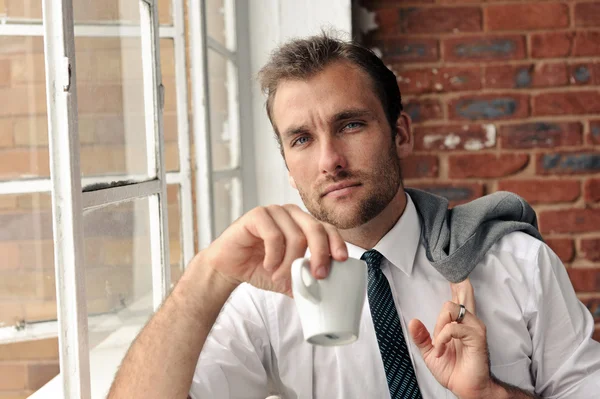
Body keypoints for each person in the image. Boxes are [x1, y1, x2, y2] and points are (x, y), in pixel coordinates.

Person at [108, 34, 600, 399]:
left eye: (351, 125)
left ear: (399, 133)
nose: (329, 161)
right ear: (287, 162)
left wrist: (491, 395)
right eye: (301, 139)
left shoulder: (516, 263)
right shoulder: (263, 299)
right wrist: (207, 275)